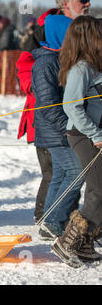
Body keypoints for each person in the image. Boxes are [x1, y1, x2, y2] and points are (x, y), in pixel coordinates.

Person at [16, 0, 91, 224]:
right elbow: (26, 67)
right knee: (59, 172)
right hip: (49, 116)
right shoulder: (48, 29)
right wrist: (45, 90)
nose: (88, 4)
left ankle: (58, 219)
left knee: (62, 172)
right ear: (66, 3)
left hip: (67, 115)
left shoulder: (82, 31)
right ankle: (47, 219)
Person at [51, 15, 102, 268]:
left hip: (95, 134)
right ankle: (67, 240)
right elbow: (72, 107)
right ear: (89, 37)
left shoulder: (95, 66)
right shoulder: (80, 68)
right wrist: (96, 135)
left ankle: (85, 242)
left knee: (98, 189)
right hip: (83, 136)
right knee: (99, 189)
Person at [31, 15, 83, 240]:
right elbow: (47, 104)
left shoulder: (60, 59)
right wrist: (69, 126)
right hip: (55, 131)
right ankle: (53, 221)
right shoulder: (46, 63)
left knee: (61, 174)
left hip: (60, 130)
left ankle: (48, 221)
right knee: (77, 172)